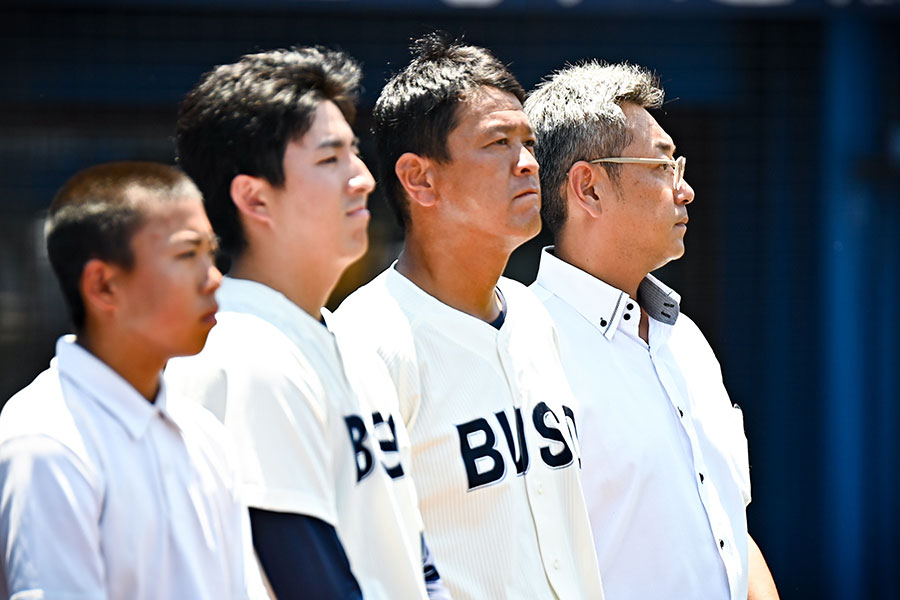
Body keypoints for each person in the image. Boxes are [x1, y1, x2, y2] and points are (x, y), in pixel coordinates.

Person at [164, 47, 445, 600]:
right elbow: (303, 579)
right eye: (329, 159)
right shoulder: (237, 350)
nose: (363, 178)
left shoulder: (345, 340)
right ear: (254, 197)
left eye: (355, 154)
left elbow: (415, 562)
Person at [333, 34, 605, 600]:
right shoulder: (367, 339)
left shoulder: (534, 316)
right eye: (498, 142)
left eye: (528, 141)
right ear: (420, 179)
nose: (528, 163)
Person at [524, 61, 780, 600]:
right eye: (663, 168)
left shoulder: (685, 338)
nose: (685, 192)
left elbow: (727, 529)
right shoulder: (522, 346)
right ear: (588, 188)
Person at [0, 161, 267, 599]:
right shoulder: (46, 441)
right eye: (186, 254)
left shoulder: (205, 436)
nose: (213, 277)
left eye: (210, 252)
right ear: (103, 286)